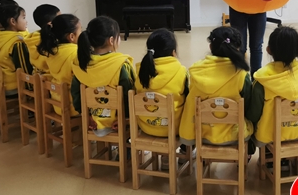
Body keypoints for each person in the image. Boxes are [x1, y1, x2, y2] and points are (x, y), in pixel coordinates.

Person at [178, 26, 253, 146]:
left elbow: (191, 103)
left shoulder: (197, 70)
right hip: (234, 135)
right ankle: (248, 152)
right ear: (238, 48)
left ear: (210, 47)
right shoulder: (241, 74)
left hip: (202, 134)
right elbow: (248, 106)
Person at [249, 26, 298, 147]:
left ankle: (270, 155)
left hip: (270, 136)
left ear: (268, 50)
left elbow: (254, 114)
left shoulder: (262, 78)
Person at [71, 16, 135, 137]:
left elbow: (76, 92)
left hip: (93, 121)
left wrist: (86, 115)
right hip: (117, 122)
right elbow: (129, 94)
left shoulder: (80, 64)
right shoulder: (121, 64)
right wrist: (125, 118)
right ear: (111, 40)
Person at [135, 29, 189, 170]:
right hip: (173, 129)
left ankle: (164, 156)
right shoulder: (181, 71)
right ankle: (183, 152)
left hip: (146, 126)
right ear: (173, 52)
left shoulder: (140, 71)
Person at [37, 13, 82, 116]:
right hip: (74, 106)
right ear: (71, 36)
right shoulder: (77, 53)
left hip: (58, 103)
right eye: (80, 31)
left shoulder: (51, 51)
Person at [0, 4, 31, 96]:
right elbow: (24, 69)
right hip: (14, 87)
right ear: (13, 21)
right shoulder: (17, 42)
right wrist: (32, 89)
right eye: (23, 18)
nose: (26, 22)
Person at [26, 4, 60, 74]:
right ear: (50, 24)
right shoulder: (52, 40)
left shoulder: (33, 38)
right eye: (60, 18)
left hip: (39, 76)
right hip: (52, 77)